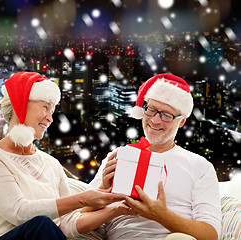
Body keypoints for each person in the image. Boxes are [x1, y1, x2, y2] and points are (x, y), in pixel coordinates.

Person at [0, 72, 135, 240]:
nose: (50, 118)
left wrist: (116, 209)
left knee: (47, 227)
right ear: (19, 104)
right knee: (41, 225)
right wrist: (83, 199)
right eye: (45, 107)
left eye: (52, 111)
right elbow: (19, 213)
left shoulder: (51, 163)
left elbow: (67, 225)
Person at [89, 73, 222, 240]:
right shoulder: (118, 156)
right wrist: (103, 188)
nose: (155, 120)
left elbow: (211, 235)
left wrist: (161, 215)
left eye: (166, 115)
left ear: (181, 121)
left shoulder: (199, 166)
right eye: (151, 110)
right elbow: (79, 214)